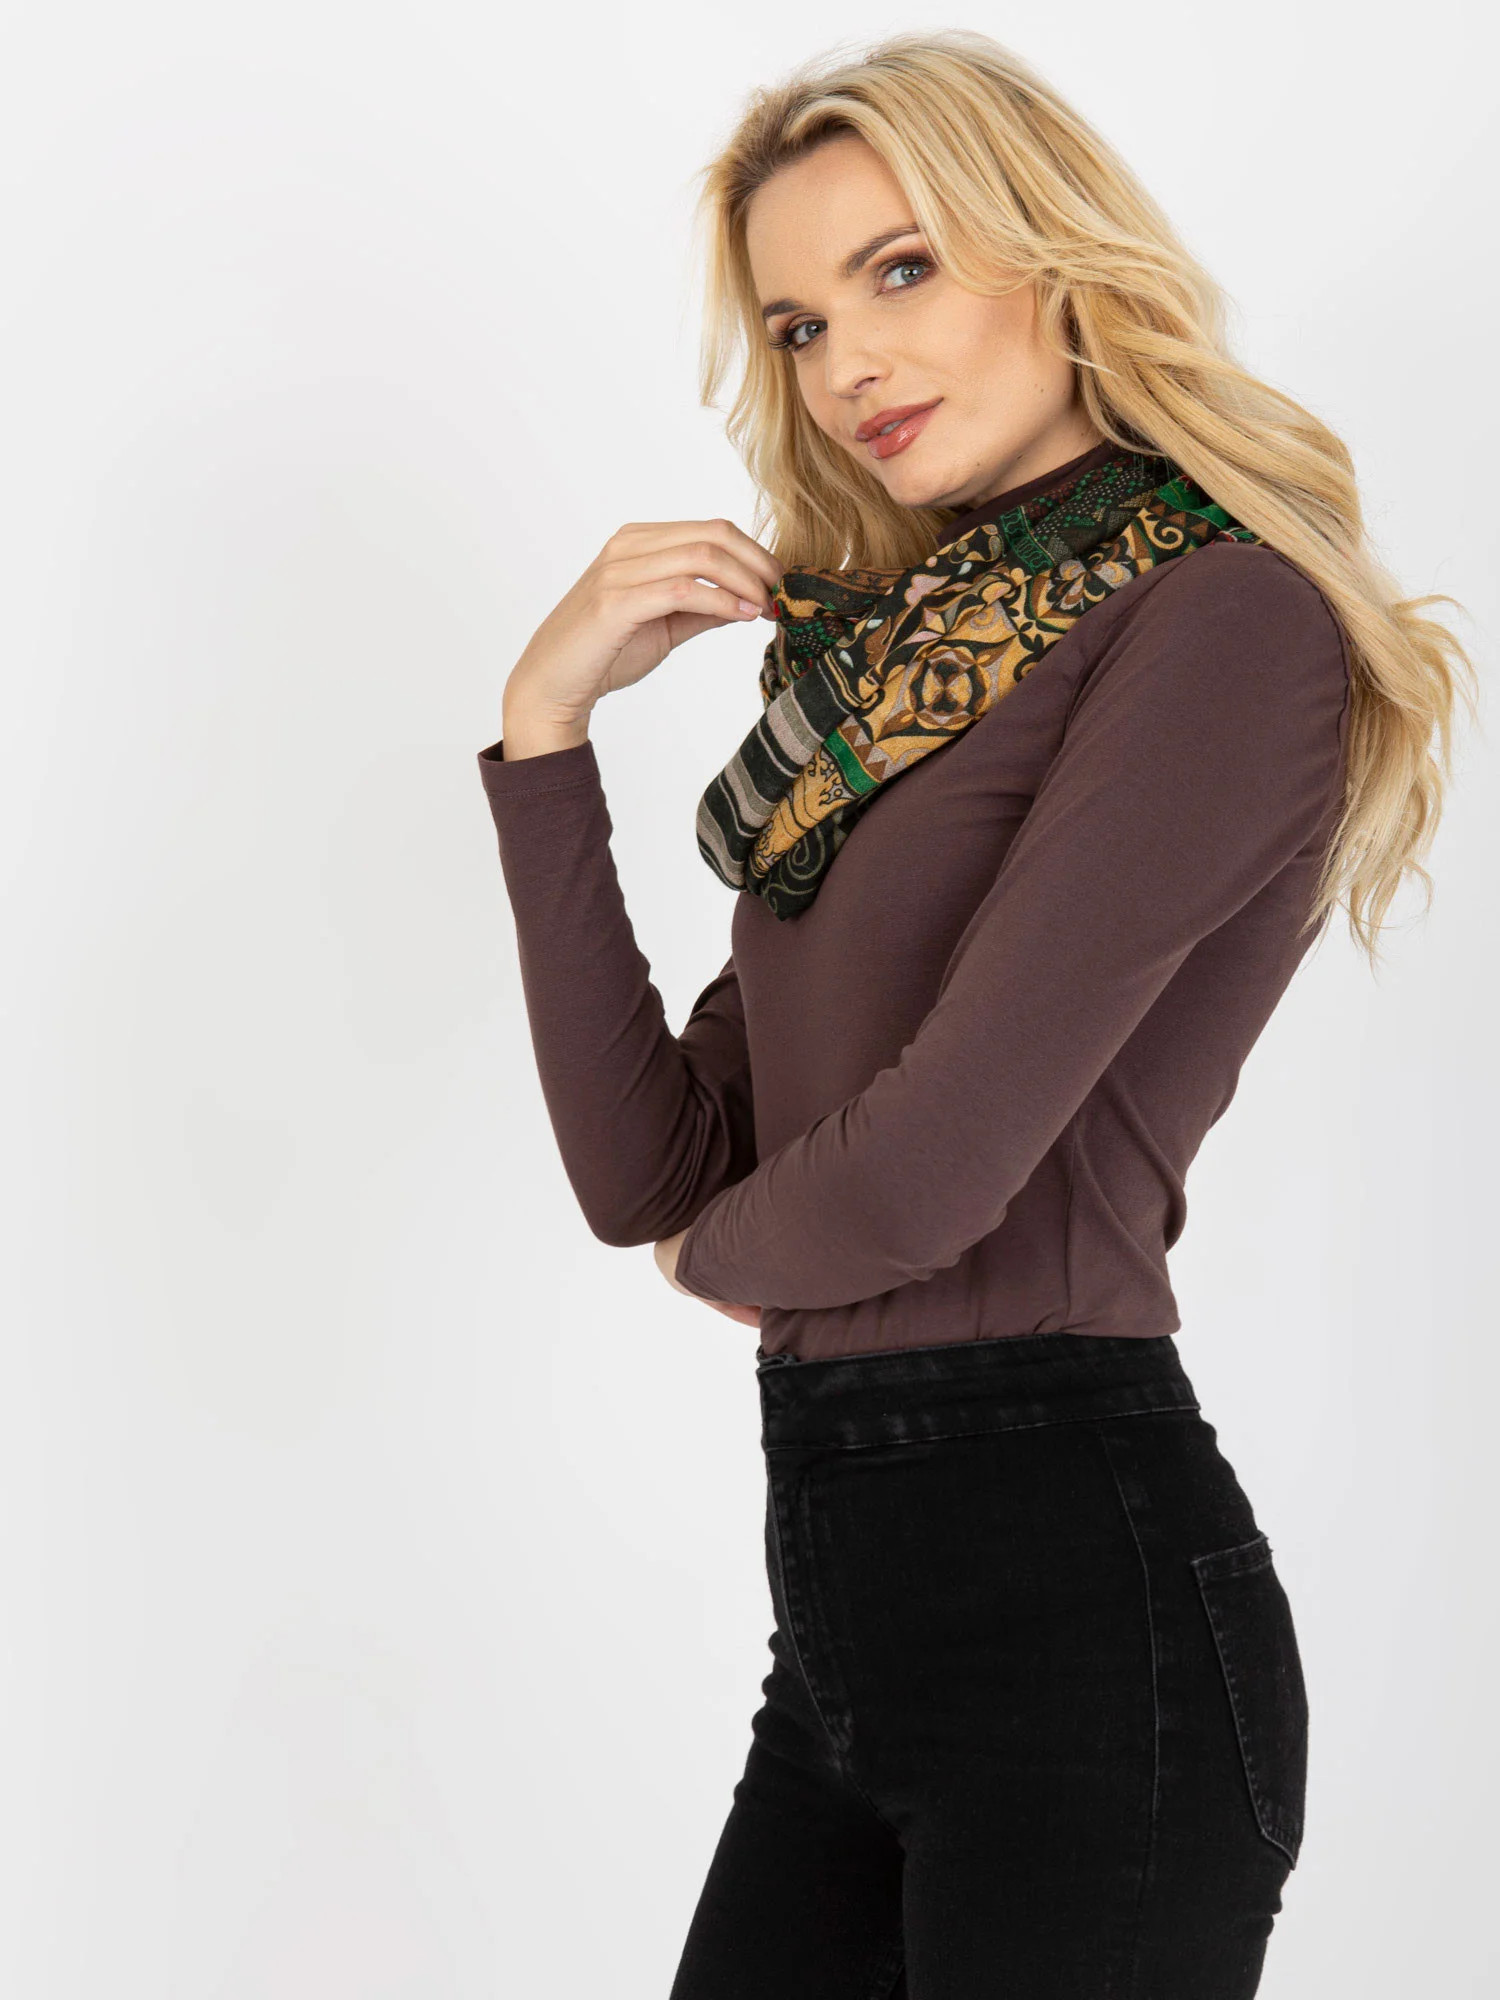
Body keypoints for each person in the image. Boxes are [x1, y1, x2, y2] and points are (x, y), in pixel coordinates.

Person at [474, 30, 1475, 1999]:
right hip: (846, 1627)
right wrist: (543, 727)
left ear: (1058, 253)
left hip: (1081, 1621)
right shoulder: (893, 688)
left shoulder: (1223, 618)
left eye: (902, 269)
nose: (847, 361)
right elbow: (646, 1170)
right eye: (797, 324)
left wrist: (718, 1257)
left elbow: (919, 1176)